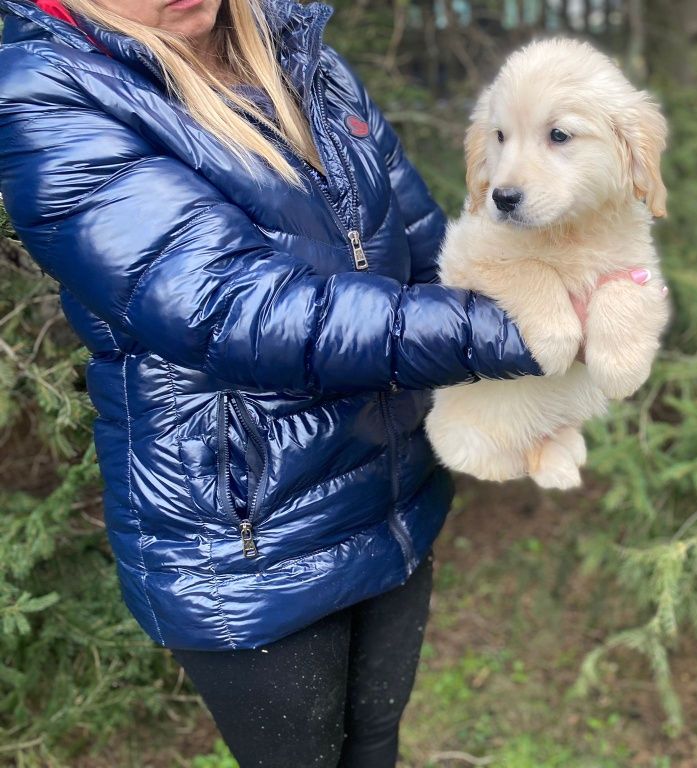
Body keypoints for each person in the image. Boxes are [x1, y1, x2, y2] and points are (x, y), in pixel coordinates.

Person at [0, 0, 649, 764]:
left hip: (391, 484)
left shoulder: (299, 54)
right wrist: (530, 332)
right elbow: (235, 310)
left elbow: (424, 241)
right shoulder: (48, 94)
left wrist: (562, 267)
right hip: (250, 527)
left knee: (373, 743)